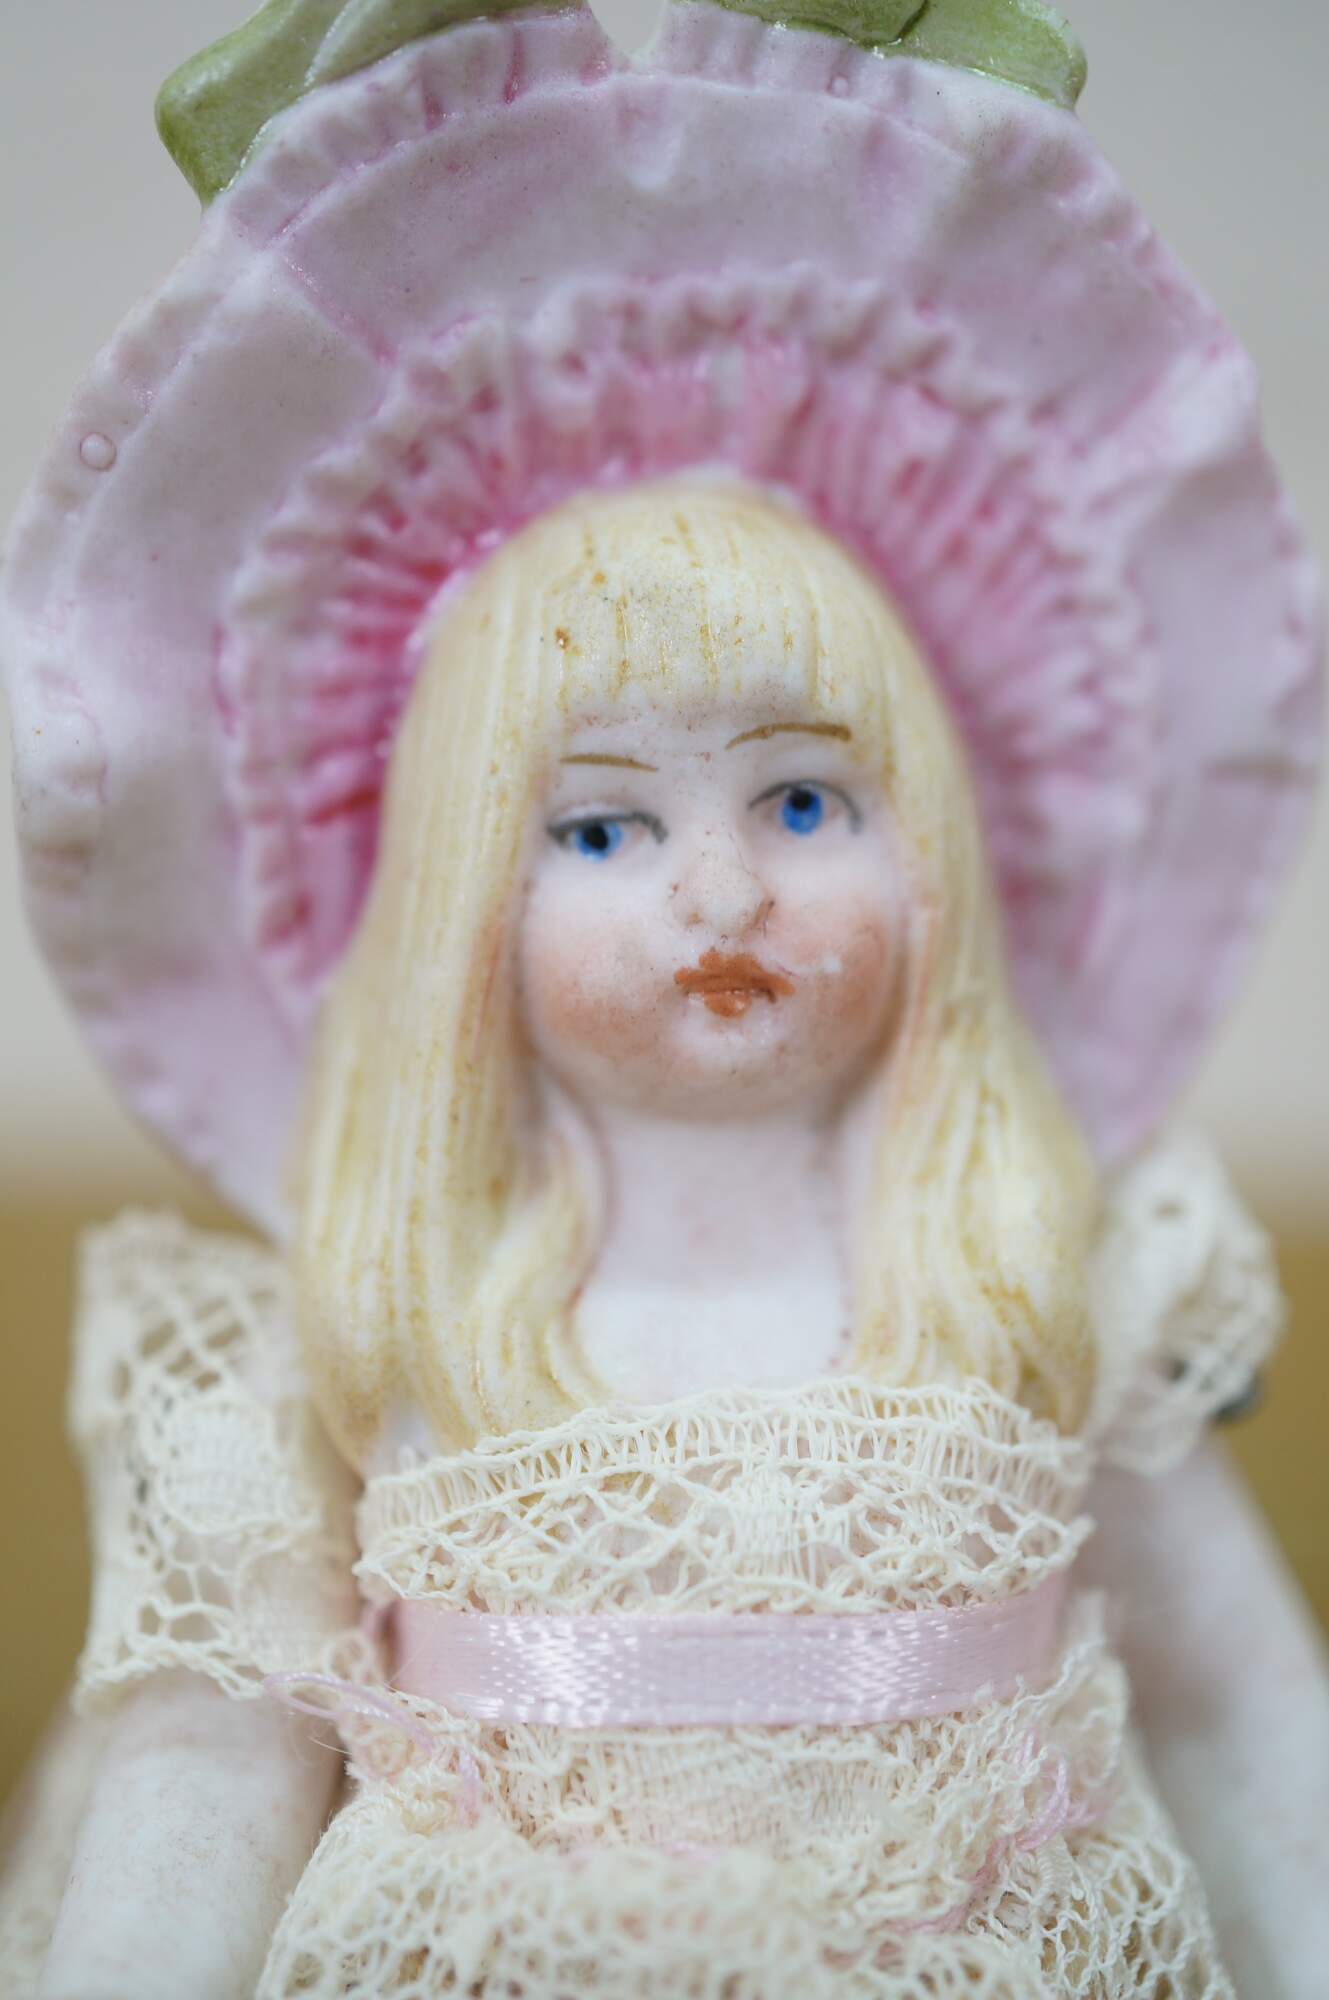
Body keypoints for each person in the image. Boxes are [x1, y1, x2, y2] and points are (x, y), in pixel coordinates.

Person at [1, 3, 1324, 1993]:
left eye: (800, 801)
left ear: (933, 853)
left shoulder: (1049, 1273)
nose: (719, 893)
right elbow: (212, 1766)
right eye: (603, 831)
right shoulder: (355, 1326)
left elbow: (1236, 1719)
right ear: (462, 899)